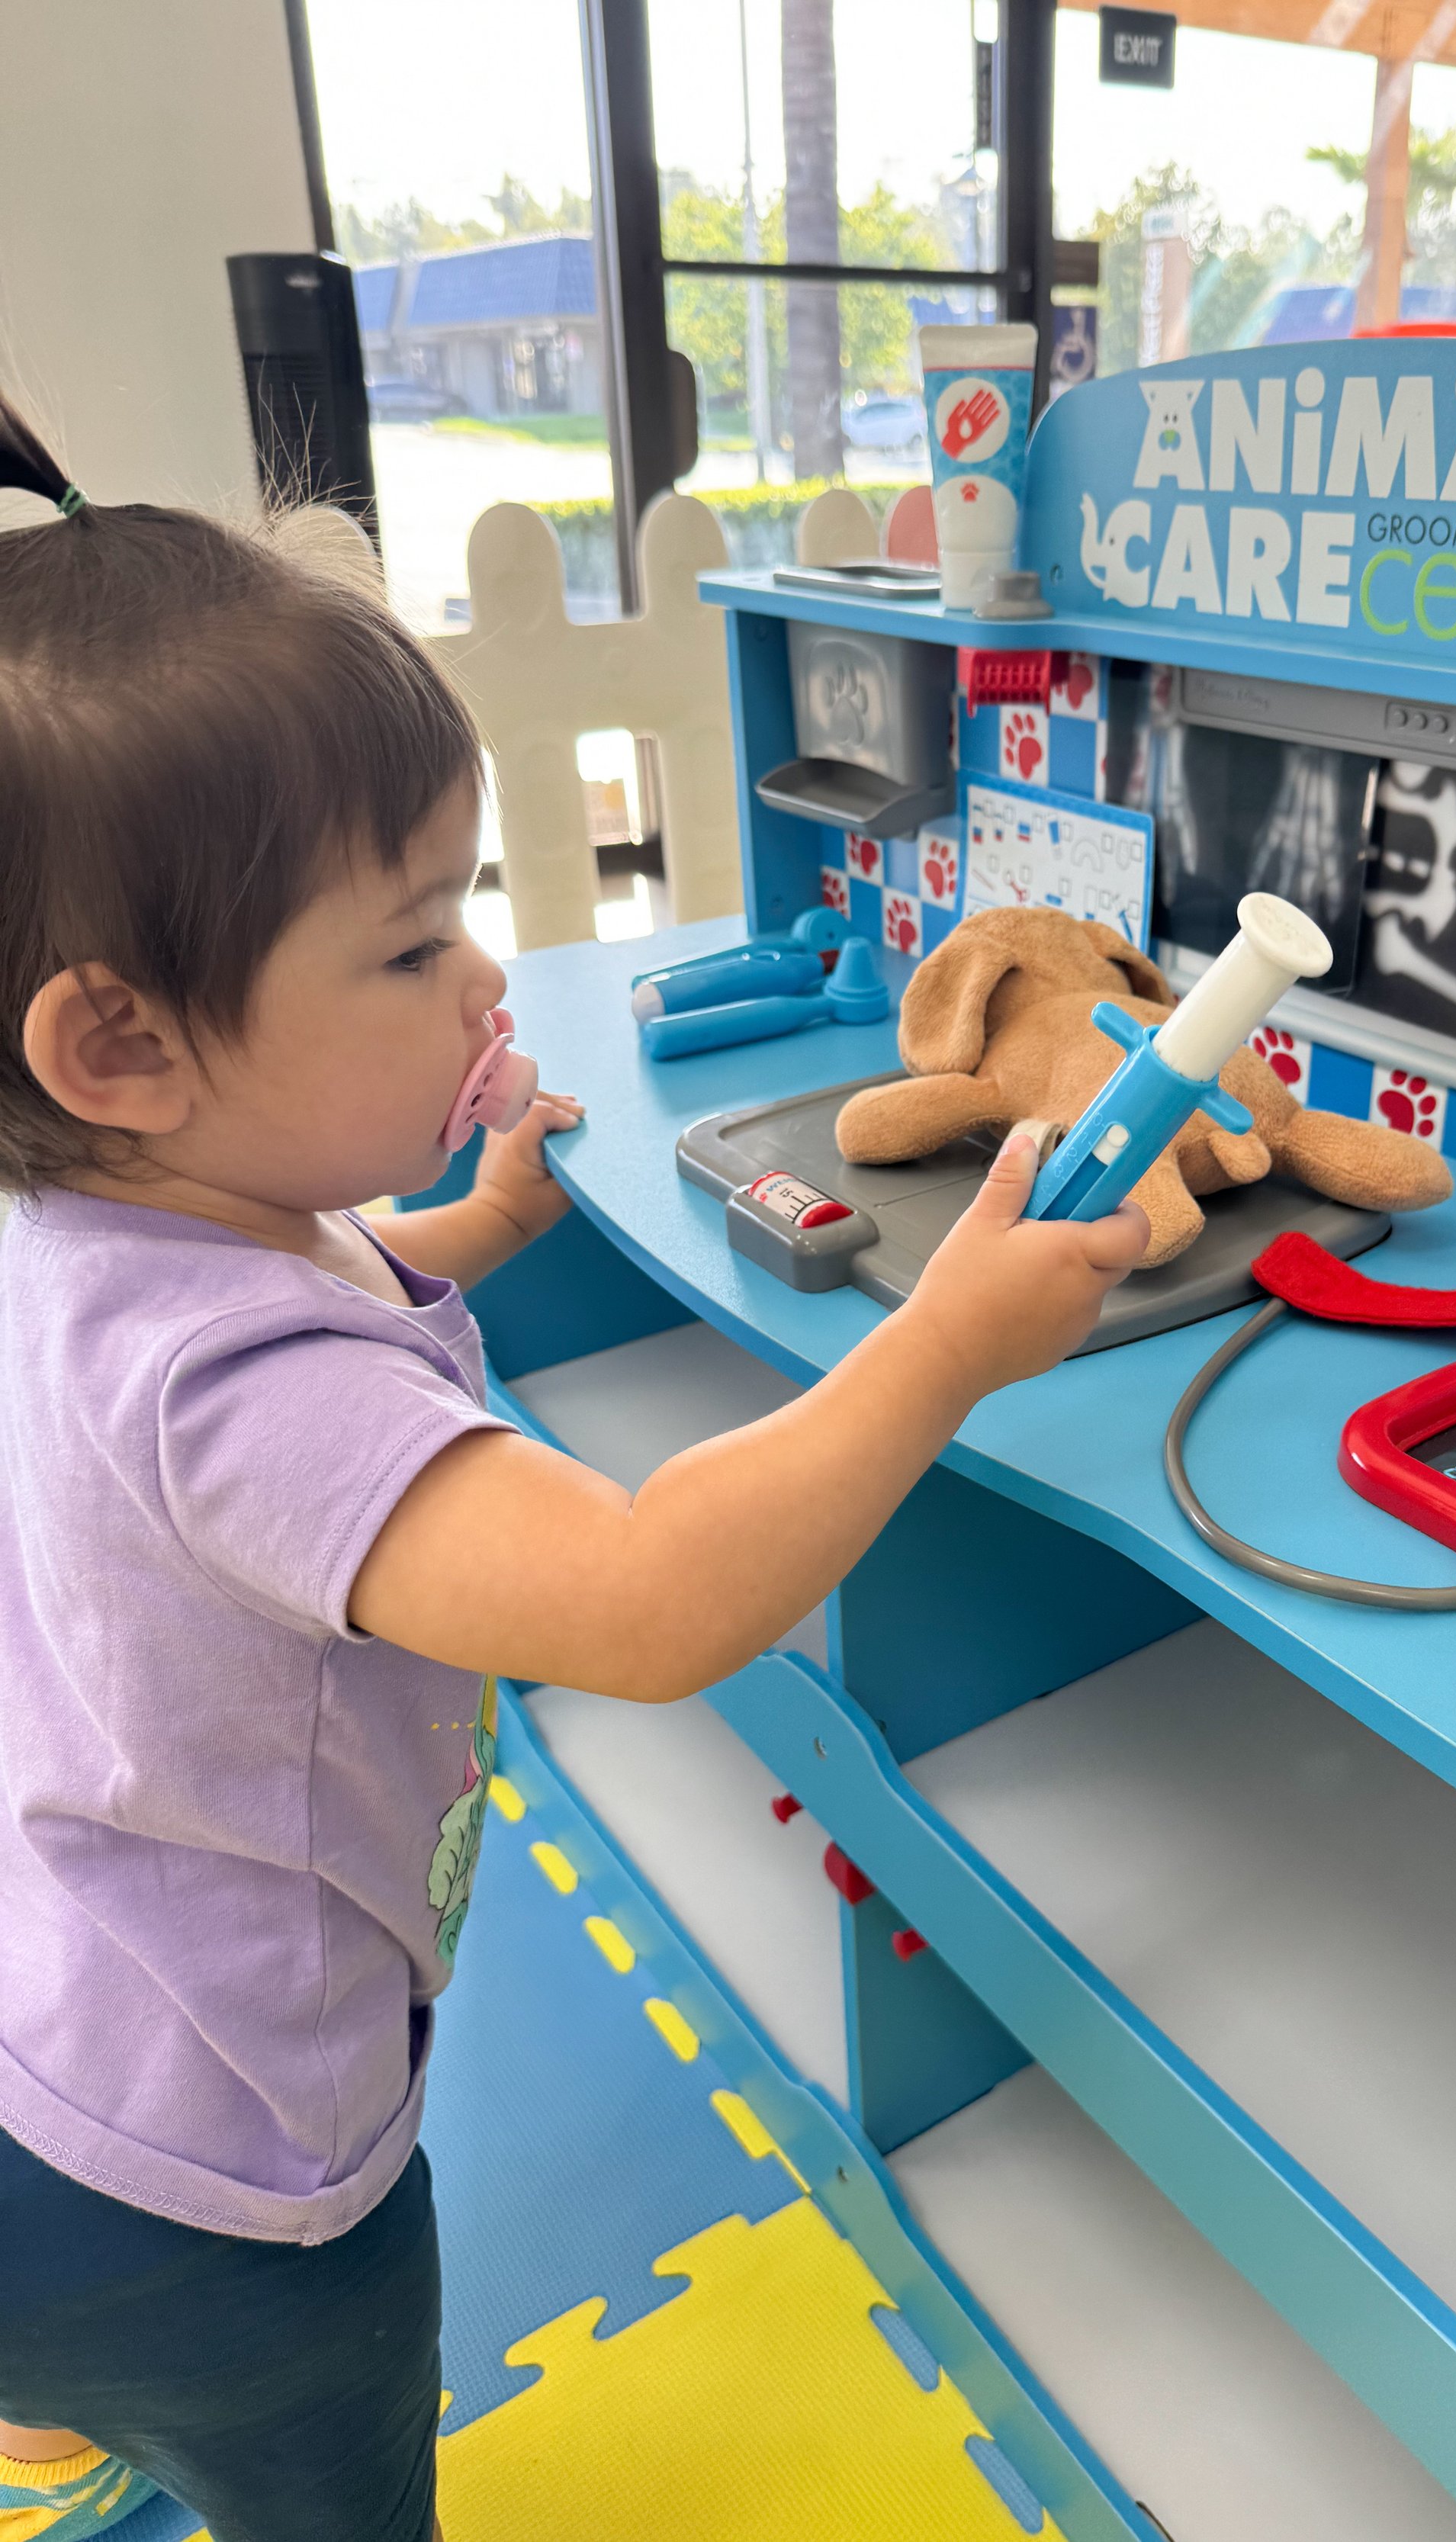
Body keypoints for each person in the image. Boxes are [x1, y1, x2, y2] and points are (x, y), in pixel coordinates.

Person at [0, 398, 1148, 2542]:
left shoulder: (101, 1228)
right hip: (225, 2183)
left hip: (58, 2021)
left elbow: (297, 1345)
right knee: (335, 2473)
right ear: (122, 1044)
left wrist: (470, 1230)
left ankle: (50, 2426)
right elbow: (642, 1596)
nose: (484, 973)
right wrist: (947, 1342)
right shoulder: (235, 1379)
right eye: (409, 942)